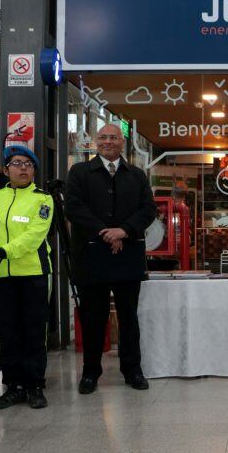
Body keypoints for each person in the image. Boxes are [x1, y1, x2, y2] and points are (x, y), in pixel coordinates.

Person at [65, 124, 156, 394]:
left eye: (113, 137)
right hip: (91, 256)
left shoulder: (137, 175)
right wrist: (106, 233)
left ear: (122, 142)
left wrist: (124, 230)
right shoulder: (79, 172)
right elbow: (74, 208)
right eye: (103, 137)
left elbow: (148, 209)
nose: (108, 141)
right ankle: (90, 373)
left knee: (129, 317)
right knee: (94, 317)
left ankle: (133, 370)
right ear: (95, 142)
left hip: (128, 256)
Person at [0, 145, 53, 409]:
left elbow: (34, 237)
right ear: (6, 170)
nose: (23, 168)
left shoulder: (43, 199)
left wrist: (1, 252)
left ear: (34, 171)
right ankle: (13, 386)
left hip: (33, 274)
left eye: (28, 164)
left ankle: (35, 385)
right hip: (1, 276)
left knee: (34, 331)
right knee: (9, 331)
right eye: (17, 163)